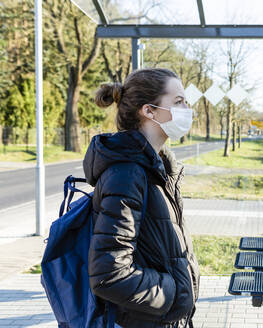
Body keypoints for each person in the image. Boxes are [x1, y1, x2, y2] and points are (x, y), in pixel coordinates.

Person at [83, 68, 200, 328]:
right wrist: (174, 293)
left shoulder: (158, 167)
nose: (186, 109)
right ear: (149, 111)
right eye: (178, 102)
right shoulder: (127, 174)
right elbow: (109, 273)